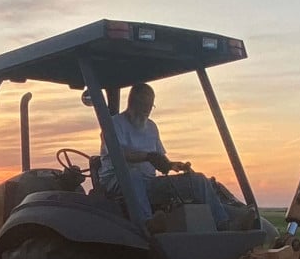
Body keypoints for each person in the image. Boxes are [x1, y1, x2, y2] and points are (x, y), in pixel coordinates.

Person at [97, 82, 234, 230]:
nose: (147, 110)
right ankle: (147, 224)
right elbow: (120, 154)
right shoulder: (114, 124)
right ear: (132, 102)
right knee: (132, 174)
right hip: (117, 182)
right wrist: (148, 157)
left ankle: (225, 224)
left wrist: (173, 165)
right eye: (144, 105)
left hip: (148, 182)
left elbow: (160, 158)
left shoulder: (151, 127)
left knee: (198, 180)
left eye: (150, 106)